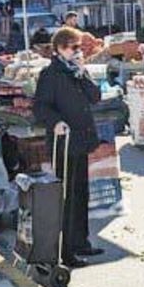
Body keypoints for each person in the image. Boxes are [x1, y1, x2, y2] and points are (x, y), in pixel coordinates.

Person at [34, 27, 102, 268]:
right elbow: (41, 108)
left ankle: (81, 241)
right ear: (61, 48)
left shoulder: (77, 72)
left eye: (79, 48)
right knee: (67, 196)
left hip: (81, 139)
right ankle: (66, 250)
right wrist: (55, 122)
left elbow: (95, 97)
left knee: (81, 192)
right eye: (74, 47)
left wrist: (84, 73)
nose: (78, 51)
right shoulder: (50, 74)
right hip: (64, 142)